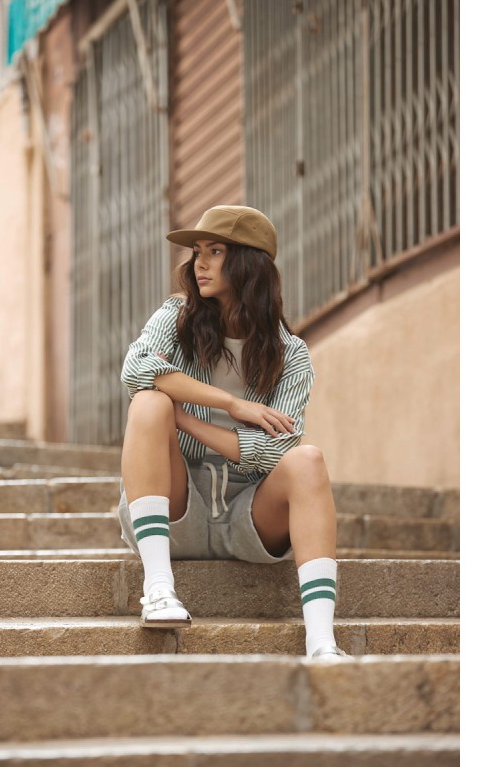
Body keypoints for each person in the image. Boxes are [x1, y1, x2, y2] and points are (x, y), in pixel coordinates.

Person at [117, 205, 348, 662]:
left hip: (250, 517)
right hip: (177, 506)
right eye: (197, 252)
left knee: (308, 460)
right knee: (148, 403)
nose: (199, 263)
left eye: (215, 251)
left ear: (248, 264)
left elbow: (272, 452)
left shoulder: (291, 354)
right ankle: (159, 589)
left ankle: (322, 642)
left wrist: (184, 416)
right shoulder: (176, 316)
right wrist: (230, 404)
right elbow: (136, 370)